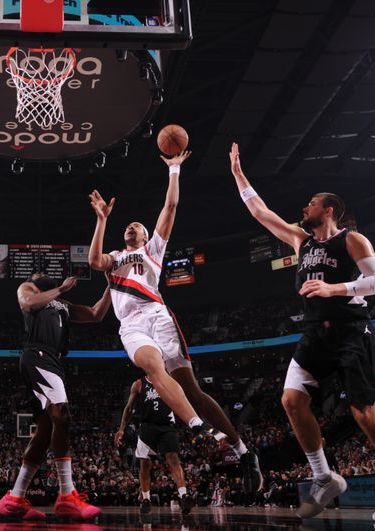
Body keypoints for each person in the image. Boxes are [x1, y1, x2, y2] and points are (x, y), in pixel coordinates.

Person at [228, 143, 375, 522]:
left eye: (311, 204)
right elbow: (260, 212)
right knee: (290, 400)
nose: (305, 209)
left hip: (351, 330)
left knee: (364, 413)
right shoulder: (301, 241)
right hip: (316, 332)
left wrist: (337, 289)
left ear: (328, 209)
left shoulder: (351, 239)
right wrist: (238, 174)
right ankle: (324, 476)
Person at [87, 150, 262, 492]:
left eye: (136, 225)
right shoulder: (115, 258)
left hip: (158, 316)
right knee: (152, 367)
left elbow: (170, 208)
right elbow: (94, 261)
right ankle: (196, 426)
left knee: (193, 390)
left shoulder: (153, 249)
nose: (131, 227)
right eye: (128, 225)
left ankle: (243, 452)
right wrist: (101, 219)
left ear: (145, 234)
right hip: (133, 326)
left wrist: (175, 169)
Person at [0, 273, 110, 520]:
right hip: (37, 354)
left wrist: (113, 285)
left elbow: (95, 314)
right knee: (63, 416)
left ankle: (15, 497)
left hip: (52, 360)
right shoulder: (29, 288)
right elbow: (28, 303)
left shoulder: (63, 305)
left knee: (45, 432)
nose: (41, 273)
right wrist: (61, 288)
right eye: (38, 273)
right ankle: (67, 495)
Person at [115, 376, 195, 515]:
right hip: (147, 426)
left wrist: (192, 421)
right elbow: (129, 408)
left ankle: (183, 496)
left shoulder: (169, 381)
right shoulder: (139, 384)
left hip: (167, 426)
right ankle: (145, 499)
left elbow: (182, 402)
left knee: (173, 458)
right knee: (145, 464)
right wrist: (121, 429)